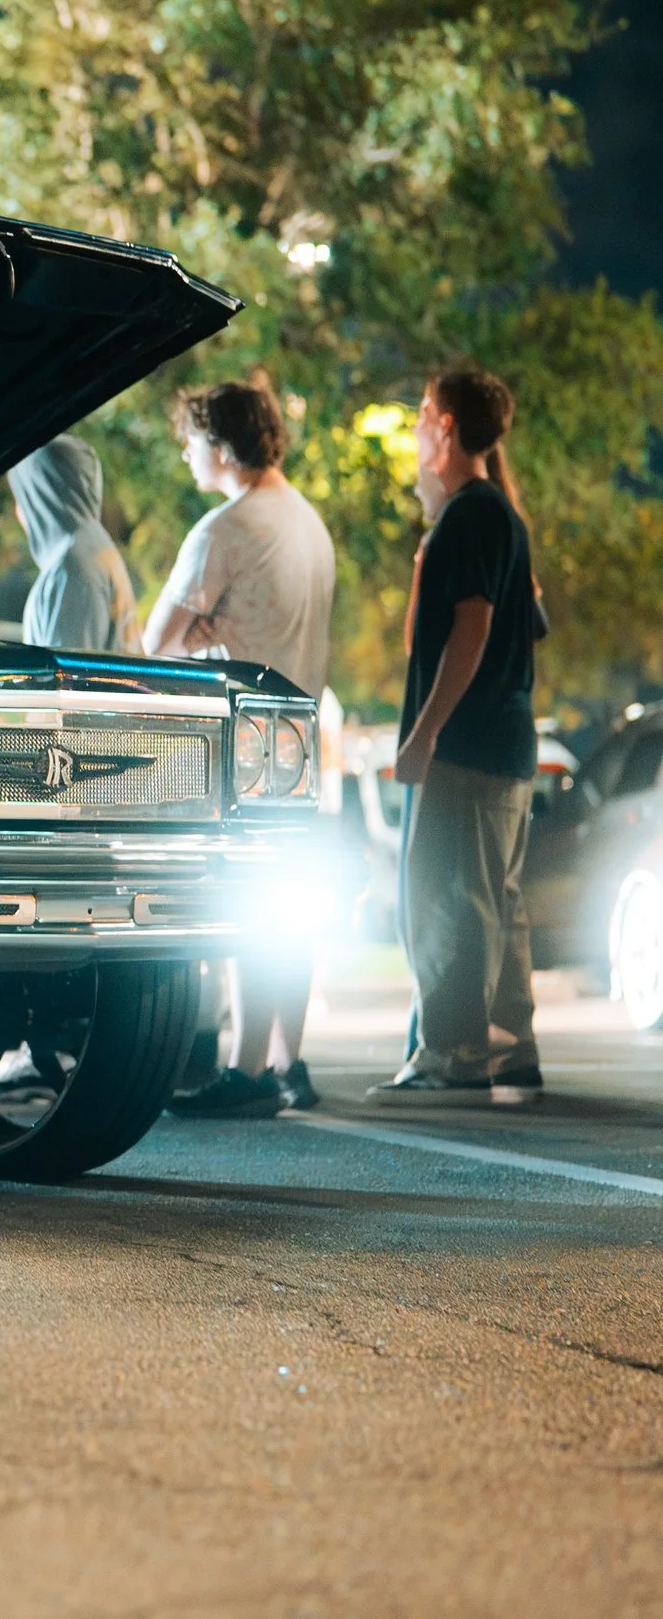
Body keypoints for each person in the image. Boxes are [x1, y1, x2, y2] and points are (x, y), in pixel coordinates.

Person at [145, 372, 338, 1119]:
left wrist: (202, 632)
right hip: (299, 744)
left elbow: (154, 643)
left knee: (246, 905)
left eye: (193, 441)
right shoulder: (307, 523)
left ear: (221, 446)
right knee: (288, 907)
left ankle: (247, 1069)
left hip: (236, 748)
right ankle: (289, 1060)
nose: (188, 456)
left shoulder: (224, 530)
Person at [372, 366, 541, 1101]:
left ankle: (455, 1055)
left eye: (420, 413)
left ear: (445, 425)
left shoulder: (472, 513)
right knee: (494, 901)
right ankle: (509, 1045)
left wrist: (424, 734)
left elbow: (470, 629)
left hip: (467, 747)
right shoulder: (495, 511)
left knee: (448, 899)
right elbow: (521, 625)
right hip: (504, 746)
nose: (414, 426)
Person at [7, 438, 142, 655]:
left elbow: (65, 679)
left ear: (38, 498)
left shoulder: (71, 567)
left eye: (22, 496)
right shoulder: (94, 546)